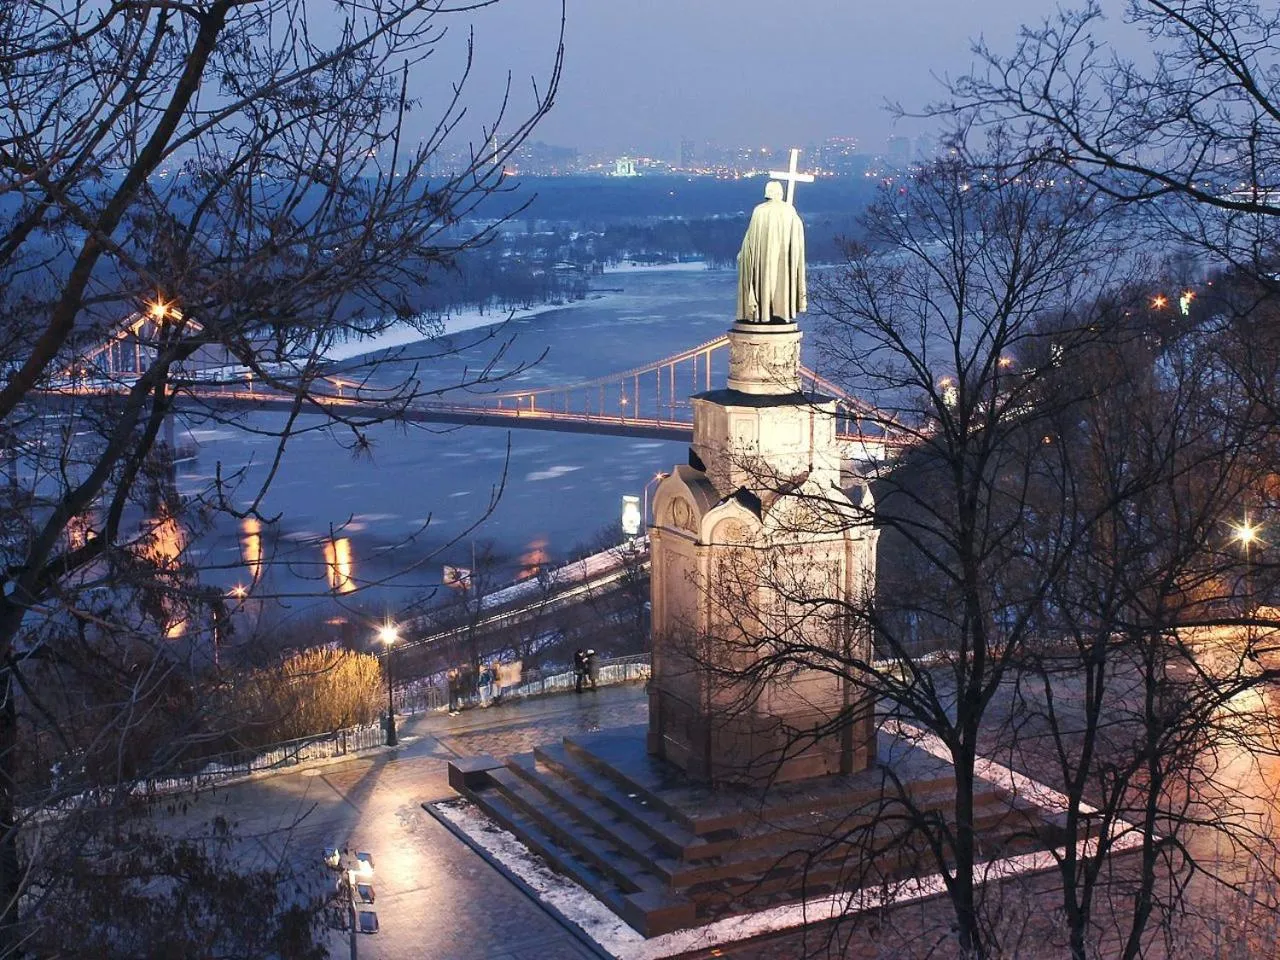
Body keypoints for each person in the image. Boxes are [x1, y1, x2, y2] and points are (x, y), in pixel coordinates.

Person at [736, 179, 807, 324]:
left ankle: (763, 312)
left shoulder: (760, 211)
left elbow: (750, 239)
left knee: (764, 280)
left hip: (763, 260)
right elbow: (798, 234)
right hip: (784, 258)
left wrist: (743, 255)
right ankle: (782, 311)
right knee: (782, 280)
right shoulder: (789, 211)